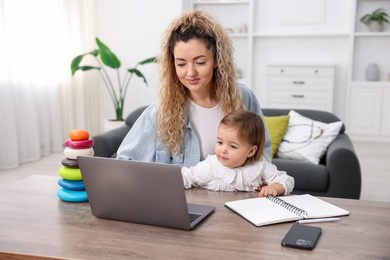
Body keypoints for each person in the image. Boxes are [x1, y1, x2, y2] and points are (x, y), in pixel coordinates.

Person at [117, 10, 272, 168]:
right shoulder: (159, 113)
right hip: (182, 193)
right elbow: (124, 162)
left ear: (217, 60)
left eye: (200, 62)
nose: (190, 73)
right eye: (181, 64)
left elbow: (262, 155)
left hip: (238, 192)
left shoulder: (244, 98)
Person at [181, 110, 294, 197]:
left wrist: (275, 187)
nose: (223, 150)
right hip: (218, 216)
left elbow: (286, 180)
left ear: (251, 151)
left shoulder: (259, 166)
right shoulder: (211, 166)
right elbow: (187, 176)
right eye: (220, 142)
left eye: (233, 146)